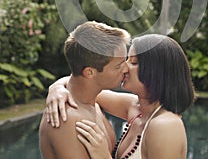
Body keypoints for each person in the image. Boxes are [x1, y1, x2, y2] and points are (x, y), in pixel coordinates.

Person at [46, 34, 195, 159]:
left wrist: (104, 157)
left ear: (156, 74)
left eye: (134, 62)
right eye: (126, 60)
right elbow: (85, 86)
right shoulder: (135, 107)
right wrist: (57, 88)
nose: (124, 67)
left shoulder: (165, 126)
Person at [39, 20, 130, 159]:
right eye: (118, 66)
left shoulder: (93, 103)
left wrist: (56, 86)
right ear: (90, 72)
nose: (126, 68)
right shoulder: (67, 118)